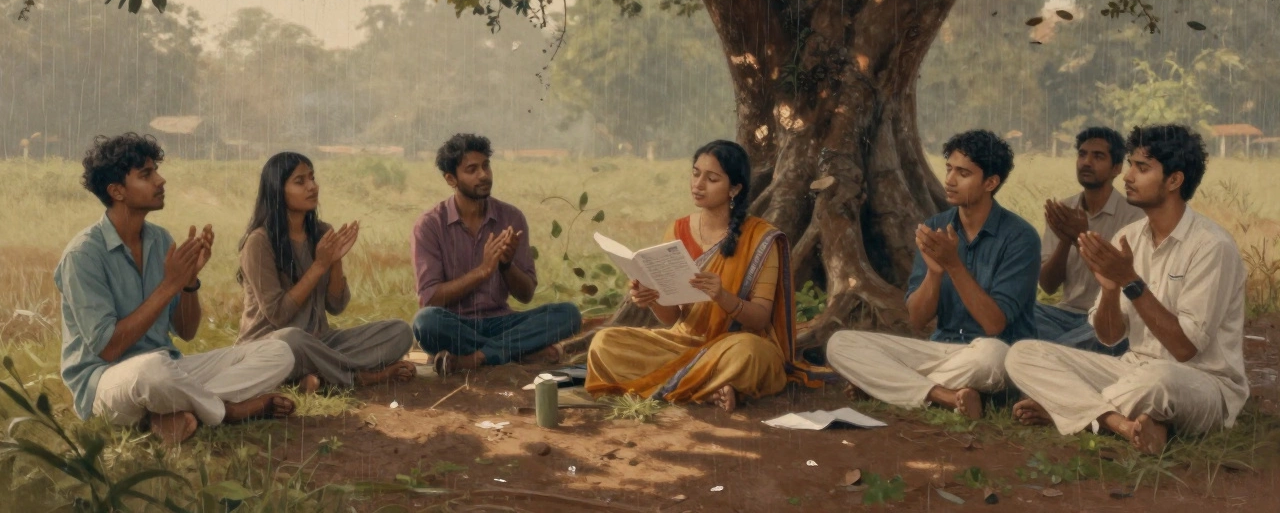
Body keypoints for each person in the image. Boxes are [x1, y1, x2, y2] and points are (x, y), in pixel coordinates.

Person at [1006, 125, 1247, 454]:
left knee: (1159, 381)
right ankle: (1120, 424)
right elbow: (1108, 337)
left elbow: (1185, 349)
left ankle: (1066, 409)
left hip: (1198, 381)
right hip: (1130, 370)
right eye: (1131, 165)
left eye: (1142, 168)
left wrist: (1130, 281)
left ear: (1174, 180)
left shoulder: (1212, 246)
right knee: (1023, 355)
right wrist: (1108, 289)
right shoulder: (1129, 237)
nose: (1128, 176)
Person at [55, 134, 296, 445]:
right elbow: (109, 348)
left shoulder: (160, 240)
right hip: (107, 382)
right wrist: (170, 285)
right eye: (146, 175)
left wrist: (188, 282)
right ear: (116, 191)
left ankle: (174, 412)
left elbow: (186, 331)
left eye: (155, 171)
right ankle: (228, 411)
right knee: (152, 371)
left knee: (278, 352)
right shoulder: (83, 255)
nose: (160, 180)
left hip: (169, 369)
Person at [585, 140, 820, 412]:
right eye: (695, 174)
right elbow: (672, 318)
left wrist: (722, 297)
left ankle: (692, 385)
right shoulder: (678, 230)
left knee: (751, 355)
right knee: (604, 344)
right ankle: (708, 388)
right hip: (681, 345)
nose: (698, 185)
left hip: (734, 345)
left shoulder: (760, 238)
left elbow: (760, 318)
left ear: (735, 188)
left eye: (711, 179)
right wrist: (652, 298)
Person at [825, 130, 1040, 419]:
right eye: (949, 168)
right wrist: (935, 274)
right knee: (841, 344)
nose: (950, 180)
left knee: (993, 357)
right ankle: (945, 396)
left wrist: (953, 265)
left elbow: (994, 324)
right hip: (941, 350)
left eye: (963, 173)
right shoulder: (936, 227)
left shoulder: (1020, 237)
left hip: (993, 355)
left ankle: (886, 384)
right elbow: (917, 319)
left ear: (990, 182)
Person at [236, 152, 415, 391]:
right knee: (291, 340)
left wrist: (335, 261)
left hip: (320, 342)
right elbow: (278, 315)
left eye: (312, 178)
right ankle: (358, 377)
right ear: (277, 191)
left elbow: (336, 306)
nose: (312, 186)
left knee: (400, 332)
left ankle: (313, 377)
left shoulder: (321, 233)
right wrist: (319, 266)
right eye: (300, 181)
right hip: (271, 345)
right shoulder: (259, 242)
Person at [411, 133, 582, 376]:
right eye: (472, 169)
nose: (483, 175)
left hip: (502, 323)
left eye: (486, 166)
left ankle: (477, 358)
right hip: (455, 325)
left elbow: (526, 295)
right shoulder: (430, 225)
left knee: (568, 314)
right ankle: (519, 352)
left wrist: (506, 266)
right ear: (451, 179)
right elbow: (430, 299)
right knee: (425, 323)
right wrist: (482, 272)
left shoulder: (511, 217)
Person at [1036, 127, 1143, 353]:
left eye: (1098, 156)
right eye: (1082, 154)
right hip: (1063, 314)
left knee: (1112, 336)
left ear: (1116, 168)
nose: (1086, 162)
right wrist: (1065, 240)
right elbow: (1048, 285)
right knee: (1021, 313)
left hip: (1105, 319)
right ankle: (1058, 352)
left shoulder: (1134, 217)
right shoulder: (1063, 211)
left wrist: (1080, 238)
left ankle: (1050, 353)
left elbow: (1126, 284)